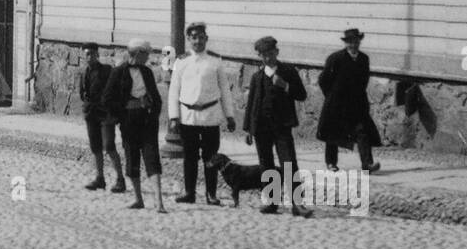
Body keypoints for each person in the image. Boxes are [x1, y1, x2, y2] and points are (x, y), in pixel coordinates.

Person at [167, 21, 237, 205]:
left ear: (206, 39)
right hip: (188, 117)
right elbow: (174, 91)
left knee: (210, 158)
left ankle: (210, 194)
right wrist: (174, 117)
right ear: (188, 39)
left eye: (201, 37)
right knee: (190, 158)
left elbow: (224, 89)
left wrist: (229, 115)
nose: (198, 41)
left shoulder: (215, 60)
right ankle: (189, 192)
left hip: (210, 117)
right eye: (194, 37)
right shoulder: (181, 61)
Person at [243, 35, 312, 217]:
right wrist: (249, 129)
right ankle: (272, 202)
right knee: (266, 165)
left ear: (277, 52)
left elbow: (302, 95)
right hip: (261, 127)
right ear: (260, 56)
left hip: (282, 126)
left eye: (270, 53)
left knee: (289, 163)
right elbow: (252, 104)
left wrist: (285, 85)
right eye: (263, 55)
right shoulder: (257, 77)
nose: (267, 58)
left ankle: (298, 204)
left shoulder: (288, 71)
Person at [103, 39, 165, 212]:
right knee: (132, 158)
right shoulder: (118, 72)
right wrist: (122, 112)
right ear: (138, 53)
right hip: (129, 122)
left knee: (152, 157)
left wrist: (154, 115)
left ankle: (159, 202)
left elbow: (157, 98)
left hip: (147, 120)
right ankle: (138, 199)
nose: (148, 57)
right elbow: (107, 99)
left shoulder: (147, 72)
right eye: (146, 54)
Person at [317, 28, 382, 174]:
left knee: (362, 132)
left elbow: (364, 81)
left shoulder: (364, 59)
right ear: (346, 43)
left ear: (359, 42)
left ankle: (367, 164)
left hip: (356, 104)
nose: (354, 45)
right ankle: (331, 163)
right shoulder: (336, 58)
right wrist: (332, 97)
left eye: (356, 41)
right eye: (351, 42)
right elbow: (323, 80)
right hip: (336, 103)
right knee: (332, 133)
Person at [80, 43, 125, 193]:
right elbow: (83, 94)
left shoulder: (106, 71)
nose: (89, 57)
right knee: (95, 147)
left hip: (106, 115)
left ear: (97, 55)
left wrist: (114, 112)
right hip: (91, 114)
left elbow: (115, 90)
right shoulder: (84, 72)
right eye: (86, 54)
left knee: (109, 146)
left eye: (92, 54)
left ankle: (120, 179)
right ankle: (100, 178)